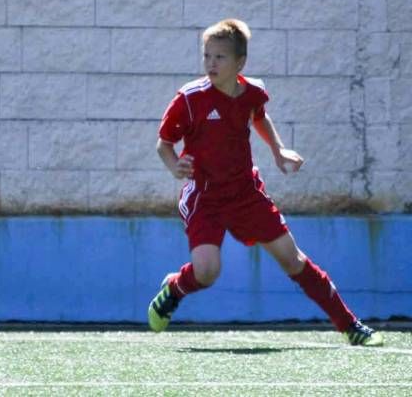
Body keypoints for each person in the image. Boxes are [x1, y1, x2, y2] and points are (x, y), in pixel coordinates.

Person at [147, 18, 383, 347]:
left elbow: (258, 115)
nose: (211, 64)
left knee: (292, 259)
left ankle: (350, 325)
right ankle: (174, 287)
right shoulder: (189, 99)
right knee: (207, 272)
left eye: (220, 57)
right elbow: (163, 144)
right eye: (207, 56)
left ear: (239, 62)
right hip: (206, 197)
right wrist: (175, 167)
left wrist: (278, 149)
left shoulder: (252, 92)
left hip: (246, 193)